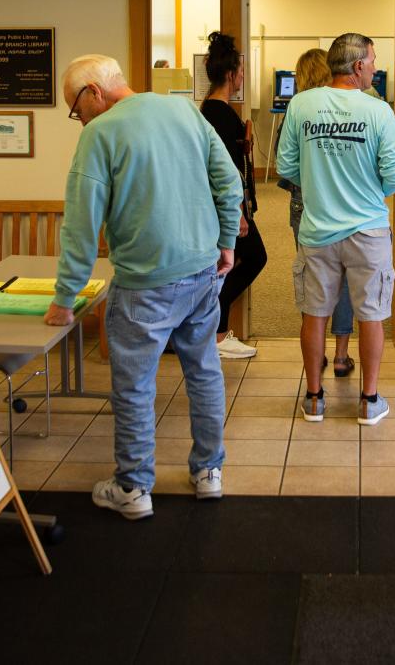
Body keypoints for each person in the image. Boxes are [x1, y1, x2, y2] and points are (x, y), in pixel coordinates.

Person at [44, 54, 242, 520]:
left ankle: (133, 488)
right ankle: (209, 472)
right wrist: (227, 242)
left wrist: (64, 297)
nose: (79, 120)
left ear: (93, 92)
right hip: (201, 273)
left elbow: (80, 224)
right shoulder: (181, 110)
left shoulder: (100, 134)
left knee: (134, 386)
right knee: (204, 370)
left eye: (76, 109)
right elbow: (228, 181)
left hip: (144, 285)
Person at [276, 33, 395, 425]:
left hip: (317, 231)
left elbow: (285, 167)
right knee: (370, 315)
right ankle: (368, 401)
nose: (375, 67)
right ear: (357, 67)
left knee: (314, 315)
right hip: (369, 231)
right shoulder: (378, 110)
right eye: (372, 61)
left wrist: (321, 187)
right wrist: (367, 194)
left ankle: (314, 399)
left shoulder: (301, 104)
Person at [276, 48, 357, 377]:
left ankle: (316, 352)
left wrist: (309, 182)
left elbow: (285, 166)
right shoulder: (352, 109)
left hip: (305, 202)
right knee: (347, 279)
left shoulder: (297, 110)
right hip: (347, 204)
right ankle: (341, 355)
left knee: (314, 277)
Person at [199, 31, 268, 359]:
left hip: (219, 208)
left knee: (236, 261)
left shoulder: (208, 111)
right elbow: (225, 172)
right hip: (225, 210)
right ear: (230, 75)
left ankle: (217, 328)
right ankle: (218, 332)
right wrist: (238, 211)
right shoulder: (220, 116)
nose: (242, 77)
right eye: (240, 72)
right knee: (254, 257)